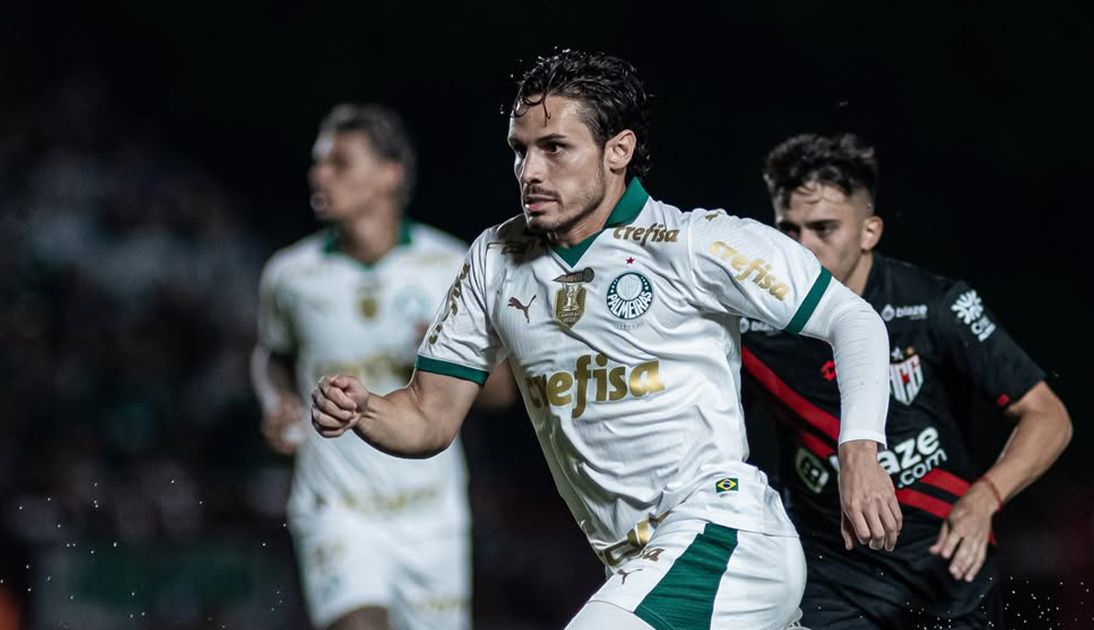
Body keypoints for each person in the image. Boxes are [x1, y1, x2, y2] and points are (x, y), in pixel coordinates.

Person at [310, 51, 900, 630]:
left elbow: (854, 320)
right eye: (520, 150)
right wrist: (364, 410)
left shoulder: (694, 243)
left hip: (723, 534)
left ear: (617, 151)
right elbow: (428, 417)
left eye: (554, 148)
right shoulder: (494, 258)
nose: (529, 171)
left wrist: (859, 450)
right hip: (636, 563)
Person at [741, 133, 1073, 629]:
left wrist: (985, 498)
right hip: (829, 573)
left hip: (946, 567)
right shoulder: (756, 325)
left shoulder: (934, 306)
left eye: (824, 228)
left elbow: (1049, 416)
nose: (803, 247)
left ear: (869, 231)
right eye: (789, 229)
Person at [251, 103, 514, 630]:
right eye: (318, 162)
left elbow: (502, 392)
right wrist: (276, 402)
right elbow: (272, 356)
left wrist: (447, 360)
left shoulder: (451, 267)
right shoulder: (290, 275)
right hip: (336, 507)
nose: (319, 175)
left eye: (339, 162)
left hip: (430, 515)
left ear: (389, 175)